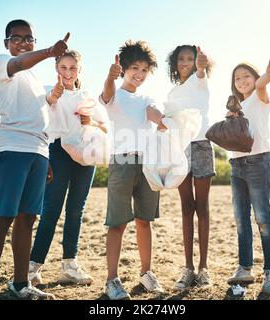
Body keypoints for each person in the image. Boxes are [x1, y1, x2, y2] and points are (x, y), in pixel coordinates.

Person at [0, 19, 70, 300]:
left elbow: (40, 118)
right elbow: (20, 63)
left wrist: (46, 156)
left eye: (29, 38)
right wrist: (50, 52)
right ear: (6, 43)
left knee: (27, 219)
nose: (23, 42)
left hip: (38, 152)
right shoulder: (3, 62)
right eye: (16, 38)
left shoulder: (36, 81)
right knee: (2, 218)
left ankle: (19, 285)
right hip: (11, 148)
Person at [28, 50, 108, 286]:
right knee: (51, 210)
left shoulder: (86, 96)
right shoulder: (48, 91)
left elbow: (104, 127)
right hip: (57, 152)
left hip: (84, 154)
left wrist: (90, 121)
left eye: (73, 68)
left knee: (76, 210)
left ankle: (69, 265)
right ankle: (33, 267)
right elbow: (46, 108)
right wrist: (53, 96)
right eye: (63, 67)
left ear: (79, 70)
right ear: (56, 69)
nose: (68, 73)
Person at [100, 40, 165, 300]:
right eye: (135, 68)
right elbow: (106, 95)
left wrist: (163, 120)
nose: (139, 74)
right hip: (122, 161)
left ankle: (146, 272)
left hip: (147, 161)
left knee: (144, 221)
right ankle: (112, 280)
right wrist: (109, 76)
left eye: (145, 70)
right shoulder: (115, 94)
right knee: (117, 223)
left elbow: (153, 112)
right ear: (124, 68)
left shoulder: (146, 97)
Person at [226, 59, 270, 296]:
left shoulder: (260, 98)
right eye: (237, 78)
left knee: (262, 218)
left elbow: (260, 85)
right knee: (241, 219)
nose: (241, 81)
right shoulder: (235, 107)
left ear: (254, 77)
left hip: (258, 162)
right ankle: (244, 267)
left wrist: (266, 77)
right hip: (236, 164)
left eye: (245, 75)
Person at [166, 45, 215, 291]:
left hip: (202, 147)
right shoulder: (173, 92)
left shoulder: (200, 81)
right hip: (180, 149)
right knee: (186, 207)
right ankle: (188, 267)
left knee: (202, 207)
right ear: (175, 64)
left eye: (190, 59)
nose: (185, 62)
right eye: (181, 59)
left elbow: (201, 73)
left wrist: (201, 67)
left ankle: (204, 268)